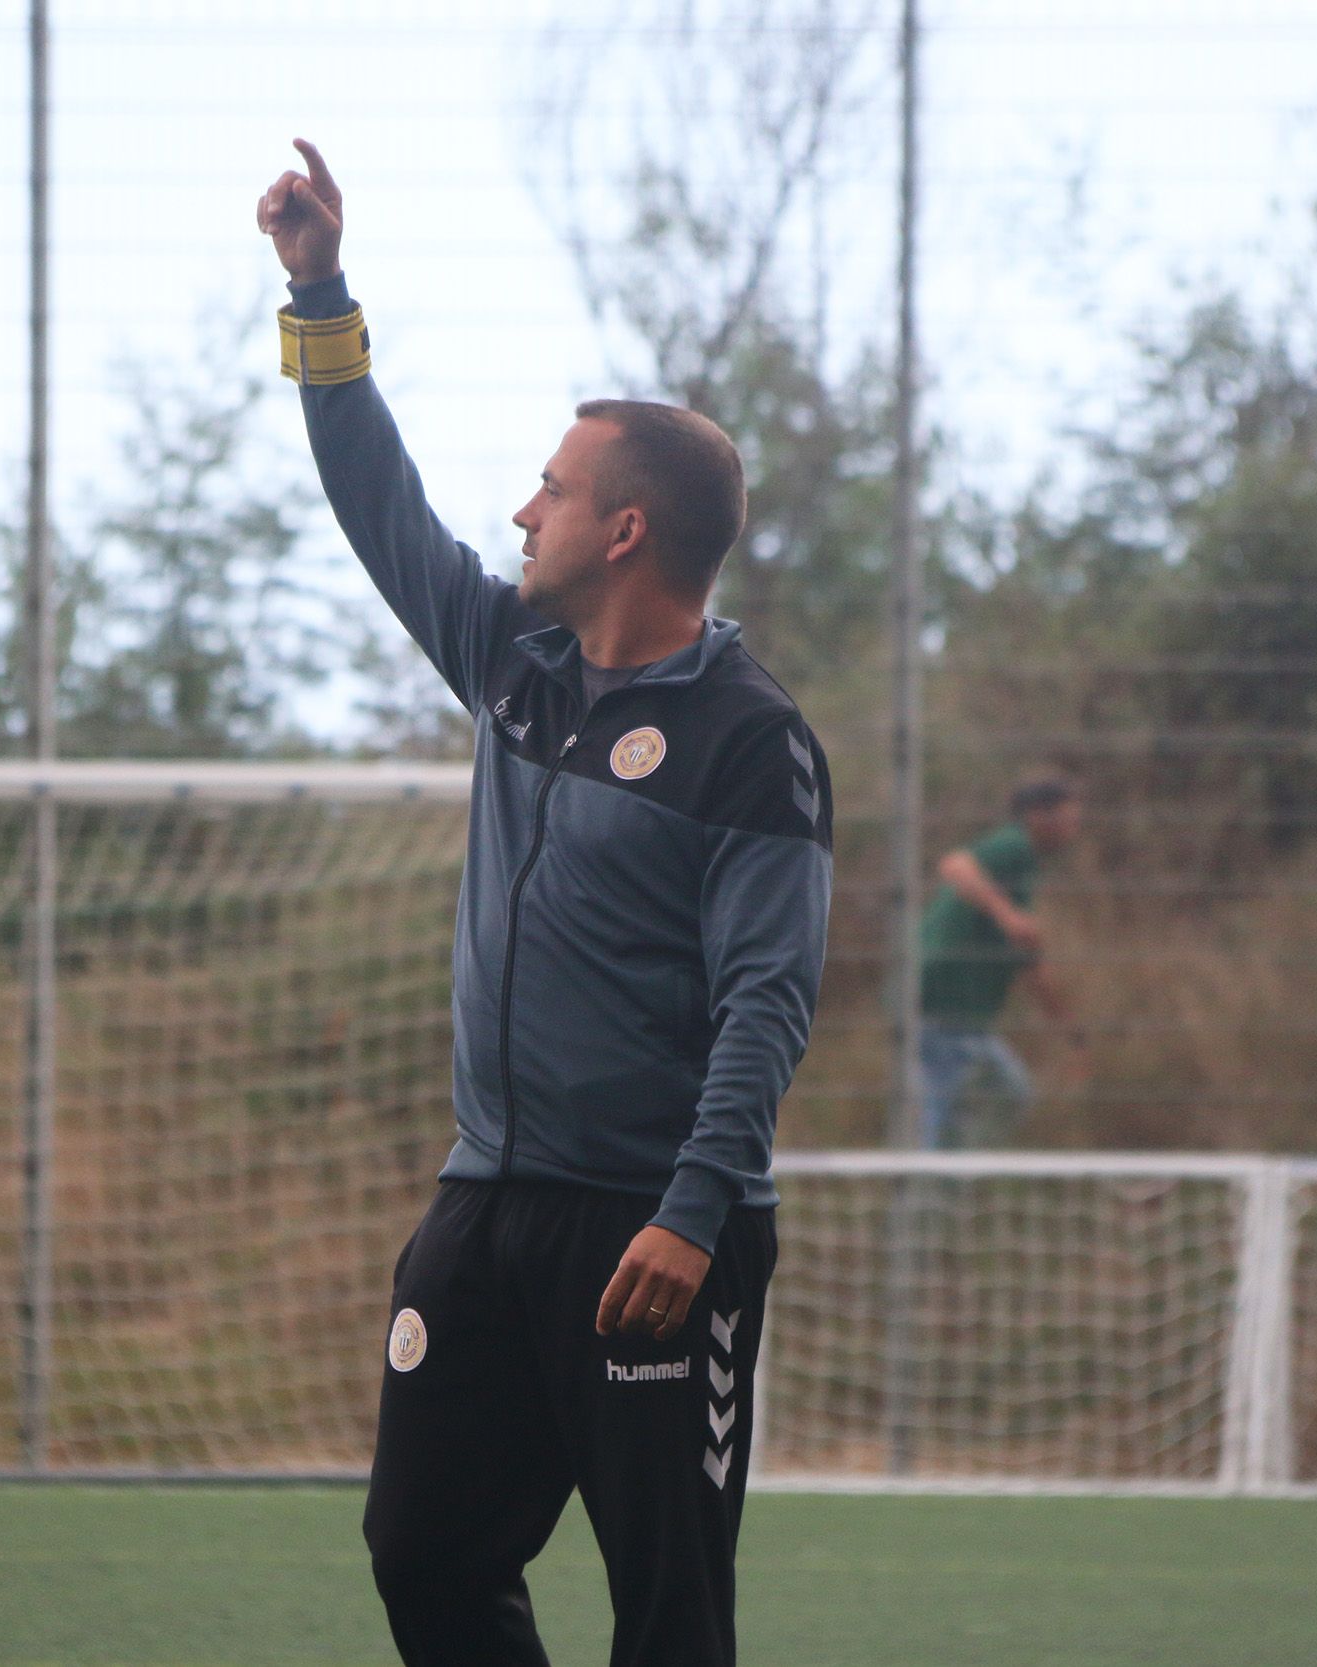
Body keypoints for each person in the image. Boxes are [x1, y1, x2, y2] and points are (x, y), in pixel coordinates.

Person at [257, 140, 833, 1667]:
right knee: (421, 1551)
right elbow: (381, 507)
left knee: (667, 1615)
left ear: (626, 530)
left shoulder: (750, 741)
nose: (521, 510)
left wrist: (694, 1214)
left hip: (653, 1224)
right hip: (489, 1196)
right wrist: (318, 292)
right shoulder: (517, 664)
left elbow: (767, 1004)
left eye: (554, 489)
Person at [915, 778, 1087, 1149]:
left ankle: (950, 1181)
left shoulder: (1023, 867)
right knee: (948, 1112)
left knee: (1007, 1095)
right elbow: (955, 865)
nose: (1075, 828)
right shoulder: (1014, 845)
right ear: (1038, 816)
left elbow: (1031, 965)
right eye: (1069, 818)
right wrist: (1006, 914)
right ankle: (932, 1193)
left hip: (967, 1016)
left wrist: (1071, 1032)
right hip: (941, 1005)